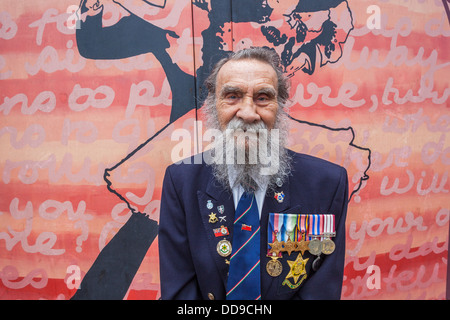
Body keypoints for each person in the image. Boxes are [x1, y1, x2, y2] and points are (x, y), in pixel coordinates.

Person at [158, 46, 349, 300]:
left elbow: (321, 292)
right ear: (213, 105)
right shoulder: (180, 181)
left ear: (280, 107)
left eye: (262, 97)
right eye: (233, 96)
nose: (248, 113)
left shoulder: (327, 184)